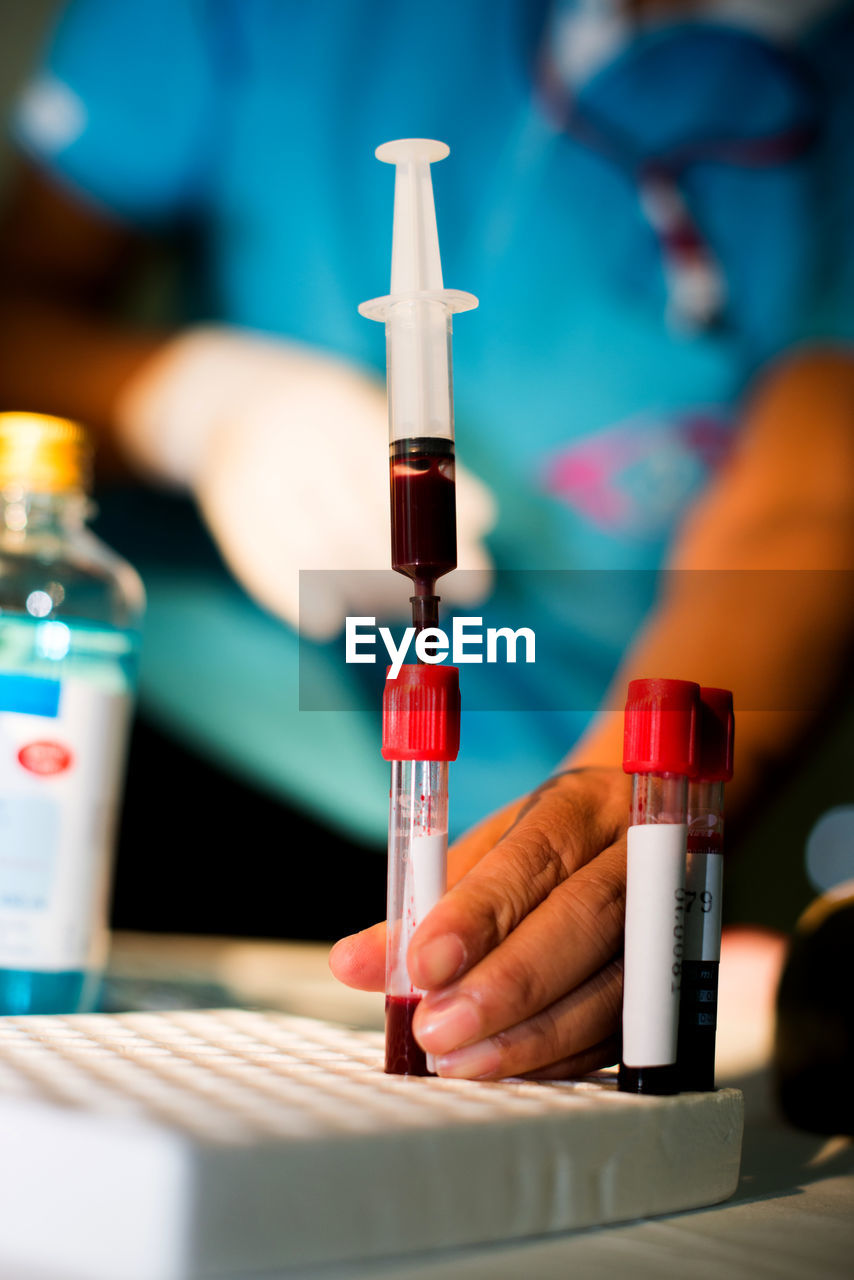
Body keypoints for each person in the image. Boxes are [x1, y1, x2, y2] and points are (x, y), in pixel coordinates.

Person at [3, 0, 854, 1075]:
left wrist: (632, 811)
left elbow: (809, 501)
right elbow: (20, 307)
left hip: (542, 792)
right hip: (194, 757)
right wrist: (190, 401)